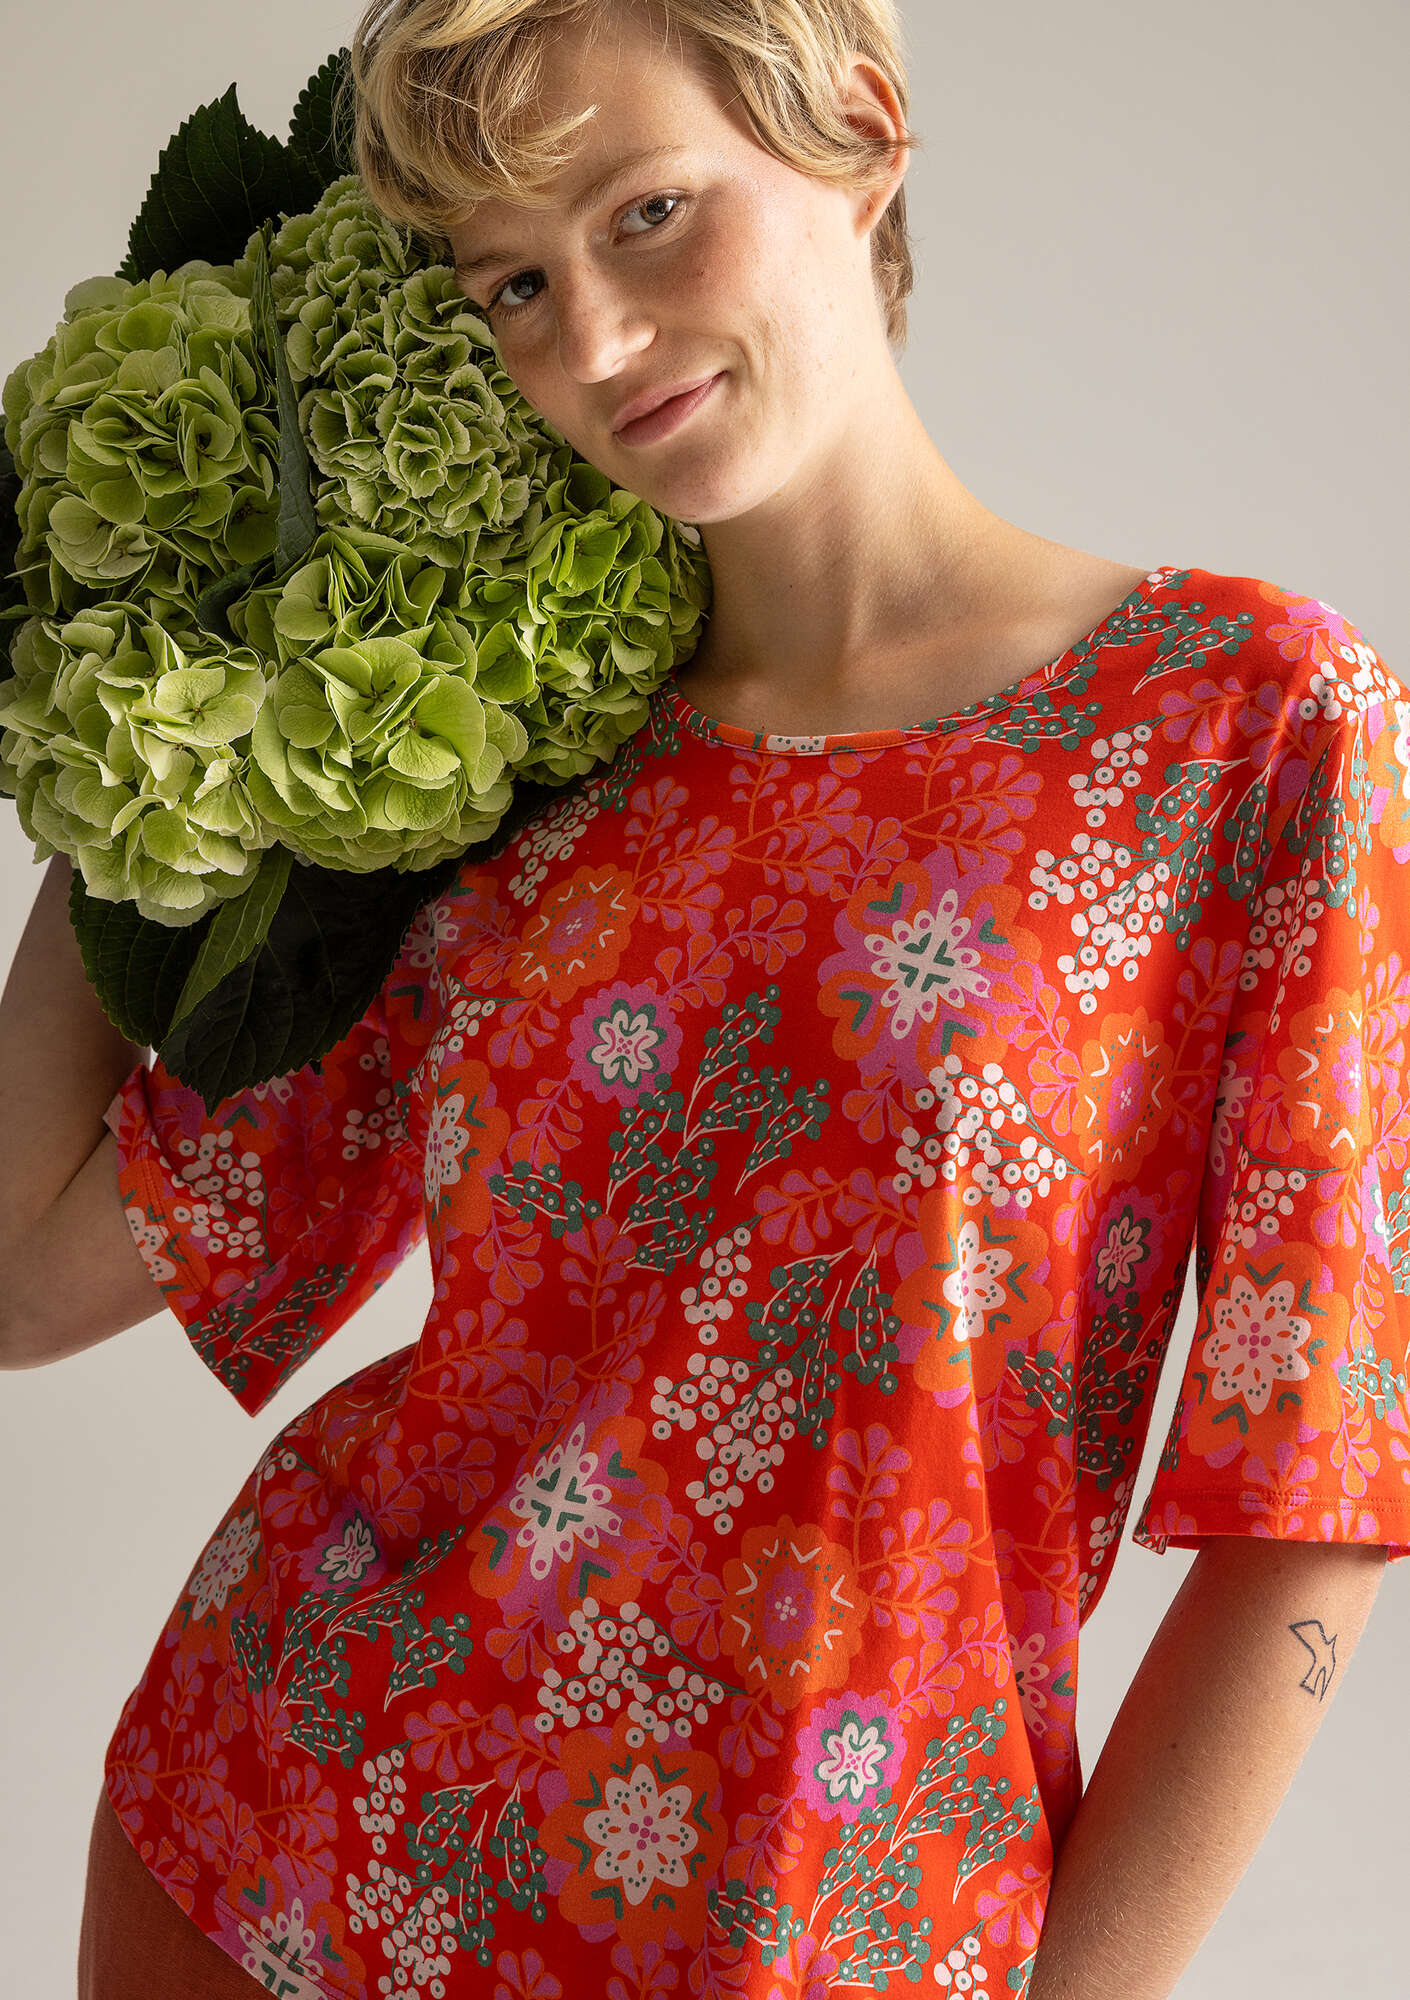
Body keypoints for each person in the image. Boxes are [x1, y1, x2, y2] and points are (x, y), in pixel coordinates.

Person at [0, 2, 1400, 1995]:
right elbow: (26, 1274)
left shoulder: (1244, 726)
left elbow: (1313, 1496)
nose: (589, 338)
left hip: (823, 1923)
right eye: (512, 282)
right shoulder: (507, 773)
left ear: (862, 128)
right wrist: (149, 698)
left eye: (647, 212)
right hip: (287, 1841)